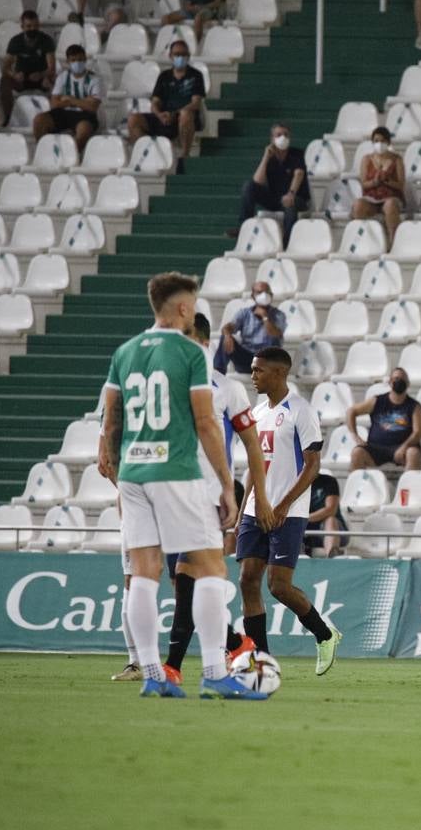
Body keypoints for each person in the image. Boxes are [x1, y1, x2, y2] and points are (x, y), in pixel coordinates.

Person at [97, 271, 264, 700]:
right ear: (184, 307)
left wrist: (116, 469)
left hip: (135, 475)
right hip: (177, 472)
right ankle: (214, 671)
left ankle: (154, 673)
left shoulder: (126, 352)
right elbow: (207, 423)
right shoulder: (191, 354)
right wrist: (228, 486)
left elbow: (111, 421)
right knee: (210, 568)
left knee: (143, 574)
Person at [163, 312, 272, 684]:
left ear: (203, 343)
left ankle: (173, 667)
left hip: (207, 496)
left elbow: (253, 448)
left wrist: (253, 499)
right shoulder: (169, 386)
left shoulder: (227, 390)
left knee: (185, 575)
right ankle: (236, 644)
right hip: (167, 495)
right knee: (183, 585)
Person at [237, 347, 343, 675]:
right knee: (247, 580)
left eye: (259, 371)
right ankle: (262, 661)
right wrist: (244, 511)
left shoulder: (300, 411)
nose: (253, 376)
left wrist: (282, 506)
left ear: (279, 373)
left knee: (278, 586)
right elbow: (256, 468)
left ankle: (325, 634)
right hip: (257, 510)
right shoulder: (256, 413)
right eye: (252, 370)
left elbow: (312, 466)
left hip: (288, 512)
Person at [126, 40, 204, 174]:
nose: (180, 57)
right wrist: (160, 115)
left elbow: (196, 103)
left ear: (188, 56)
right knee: (134, 119)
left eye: (183, 54)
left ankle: (185, 156)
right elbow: (155, 103)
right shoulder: (164, 76)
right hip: (164, 117)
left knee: (186, 114)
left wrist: (175, 113)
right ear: (170, 56)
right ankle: (151, 152)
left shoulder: (196, 75)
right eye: (177, 54)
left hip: (184, 117)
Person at [226, 123, 310, 247]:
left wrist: (291, 193)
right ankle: (243, 228)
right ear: (272, 139)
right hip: (275, 198)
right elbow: (257, 181)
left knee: (290, 205)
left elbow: (299, 174)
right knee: (248, 186)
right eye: (279, 135)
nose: (283, 138)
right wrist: (266, 157)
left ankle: (287, 244)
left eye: (286, 135)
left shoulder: (297, 153)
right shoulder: (270, 157)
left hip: (297, 198)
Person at [348, 368, 421, 471]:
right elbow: (351, 412)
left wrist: (404, 447)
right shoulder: (377, 401)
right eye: (396, 378)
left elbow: (418, 432)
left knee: (413, 453)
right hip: (376, 448)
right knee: (357, 453)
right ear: (390, 382)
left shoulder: (415, 406)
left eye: (402, 379)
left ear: (408, 383)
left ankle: (409, 486)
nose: (399, 381)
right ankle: (356, 486)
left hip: (402, 447)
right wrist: (355, 436)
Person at [32, 44, 102, 155]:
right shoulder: (63, 77)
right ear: (68, 61)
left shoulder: (94, 79)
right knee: (39, 120)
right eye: (73, 60)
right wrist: (83, 101)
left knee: (84, 129)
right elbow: (54, 104)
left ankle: (72, 157)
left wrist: (69, 100)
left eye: (80, 59)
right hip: (63, 113)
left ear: (85, 59)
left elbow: (92, 107)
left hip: (85, 115)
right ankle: (44, 154)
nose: (77, 63)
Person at [214, 282, 286, 375]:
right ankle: (218, 375)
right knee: (224, 337)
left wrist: (265, 317)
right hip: (246, 359)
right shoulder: (244, 313)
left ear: (271, 296)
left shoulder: (278, 315)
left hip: (268, 362)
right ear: (253, 296)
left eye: (266, 292)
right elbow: (228, 327)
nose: (263, 295)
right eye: (259, 293)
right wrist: (227, 335)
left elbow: (275, 333)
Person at [352, 126, 406, 243]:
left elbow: (401, 185)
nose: (379, 144)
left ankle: (393, 241)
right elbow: (364, 184)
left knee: (390, 204)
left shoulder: (397, 160)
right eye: (376, 141)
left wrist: (387, 181)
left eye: (383, 141)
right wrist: (375, 182)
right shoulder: (366, 159)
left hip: (391, 197)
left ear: (388, 142)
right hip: (372, 198)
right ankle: (362, 239)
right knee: (358, 205)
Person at [0, 10, 56, 122]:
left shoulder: (46, 40)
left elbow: (52, 68)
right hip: (21, 80)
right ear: (22, 27)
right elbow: (5, 67)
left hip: (41, 79)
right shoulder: (16, 41)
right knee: (4, 81)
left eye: (35, 26)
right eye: (29, 26)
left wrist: (42, 74)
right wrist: (14, 75)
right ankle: (8, 117)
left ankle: (52, 117)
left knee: (56, 80)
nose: (32, 29)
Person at [306, 472, 347, 557]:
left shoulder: (329, 481)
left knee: (330, 519)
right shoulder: (294, 484)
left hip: (335, 531)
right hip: (305, 532)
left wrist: (305, 519)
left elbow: (331, 510)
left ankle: (332, 555)